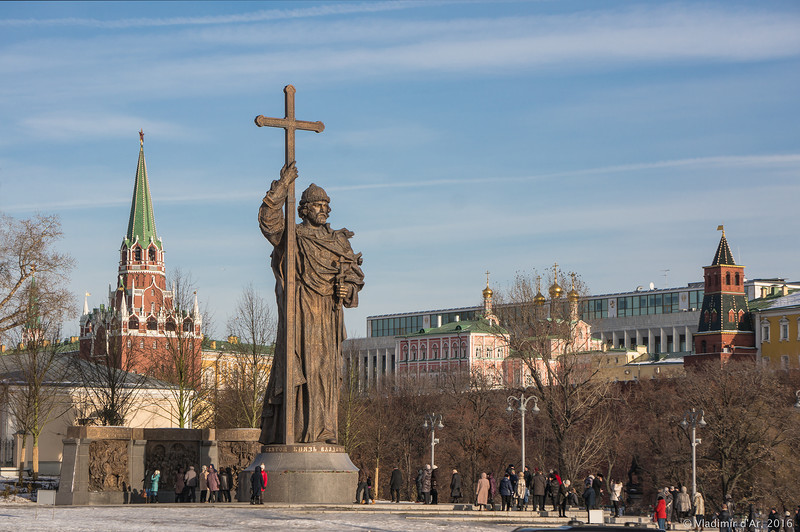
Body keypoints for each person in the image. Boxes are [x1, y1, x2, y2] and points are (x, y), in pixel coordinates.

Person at [258, 163, 365, 446]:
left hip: (328, 315)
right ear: (303, 209)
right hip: (302, 312)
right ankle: (299, 431)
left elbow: (354, 278)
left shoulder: (339, 242)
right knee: (304, 370)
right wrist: (282, 186)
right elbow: (269, 222)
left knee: (326, 371)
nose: (323, 210)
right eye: (317, 205)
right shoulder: (293, 237)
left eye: (326, 206)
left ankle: (325, 431)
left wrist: (347, 289)